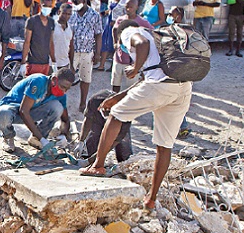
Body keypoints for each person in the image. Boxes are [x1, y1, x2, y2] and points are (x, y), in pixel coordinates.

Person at [81, 21, 193, 210]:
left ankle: (98, 166)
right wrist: (118, 97)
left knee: (116, 116)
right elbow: (145, 82)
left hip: (160, 86)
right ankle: (151, 198)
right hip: (182, 87)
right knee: (164, 145)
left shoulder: (130, 32)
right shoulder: (157, 38)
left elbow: (141, 44)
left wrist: (134, 68)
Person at [0, 69, 75, 150]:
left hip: (30, 112)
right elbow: (23, 111)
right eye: (63, 87)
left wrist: (63, 135)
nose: (64, 91)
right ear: (54, 80)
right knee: (3, 114)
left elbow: (65, 119)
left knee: (57, 107)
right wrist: (42, 139)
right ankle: (8, 137)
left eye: (67, 89)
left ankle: (35, 139)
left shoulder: (61, 95)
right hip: (13, 109)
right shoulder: (38, 81)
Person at [69, 0, 103, 112]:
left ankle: (83, 103)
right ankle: (62, 102)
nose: (74, 3)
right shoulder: (71, 14)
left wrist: (98, 53)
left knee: (85, 78)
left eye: (77, 1)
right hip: (72, 51)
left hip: (87, 51)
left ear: (84, 1)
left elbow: (98, 34)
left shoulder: (94, 15)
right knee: (66, 77)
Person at [111, 0, 152, 92]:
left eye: (131, 7)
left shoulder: (142, 22)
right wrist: (115, 42)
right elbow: (114, 29)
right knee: (115, 83)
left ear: (136, 8)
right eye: (127, 7)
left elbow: (151, 32)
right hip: (119, 58)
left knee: (131, 88)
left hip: (132, 61)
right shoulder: (121, 19)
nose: (128, 9)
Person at [23, 0, 55, 76]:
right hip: (33, 62)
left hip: (45, 62)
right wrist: (23, 63)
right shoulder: (32, 21)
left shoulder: (51, 22)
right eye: (45, 6)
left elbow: (51, 42)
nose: (47, 8)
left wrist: (54, 61)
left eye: (49, 6)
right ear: (40, 6)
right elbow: (27, 42)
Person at [51, 2, 74, 73]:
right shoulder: (52, 25)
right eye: (64, 13)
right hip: (51, 63)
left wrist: (72, 65)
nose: (66, 16)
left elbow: (71, 46)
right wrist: (53, 61)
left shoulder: (70, 28)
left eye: (69, 14)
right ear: (59, 12)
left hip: (65, 63)